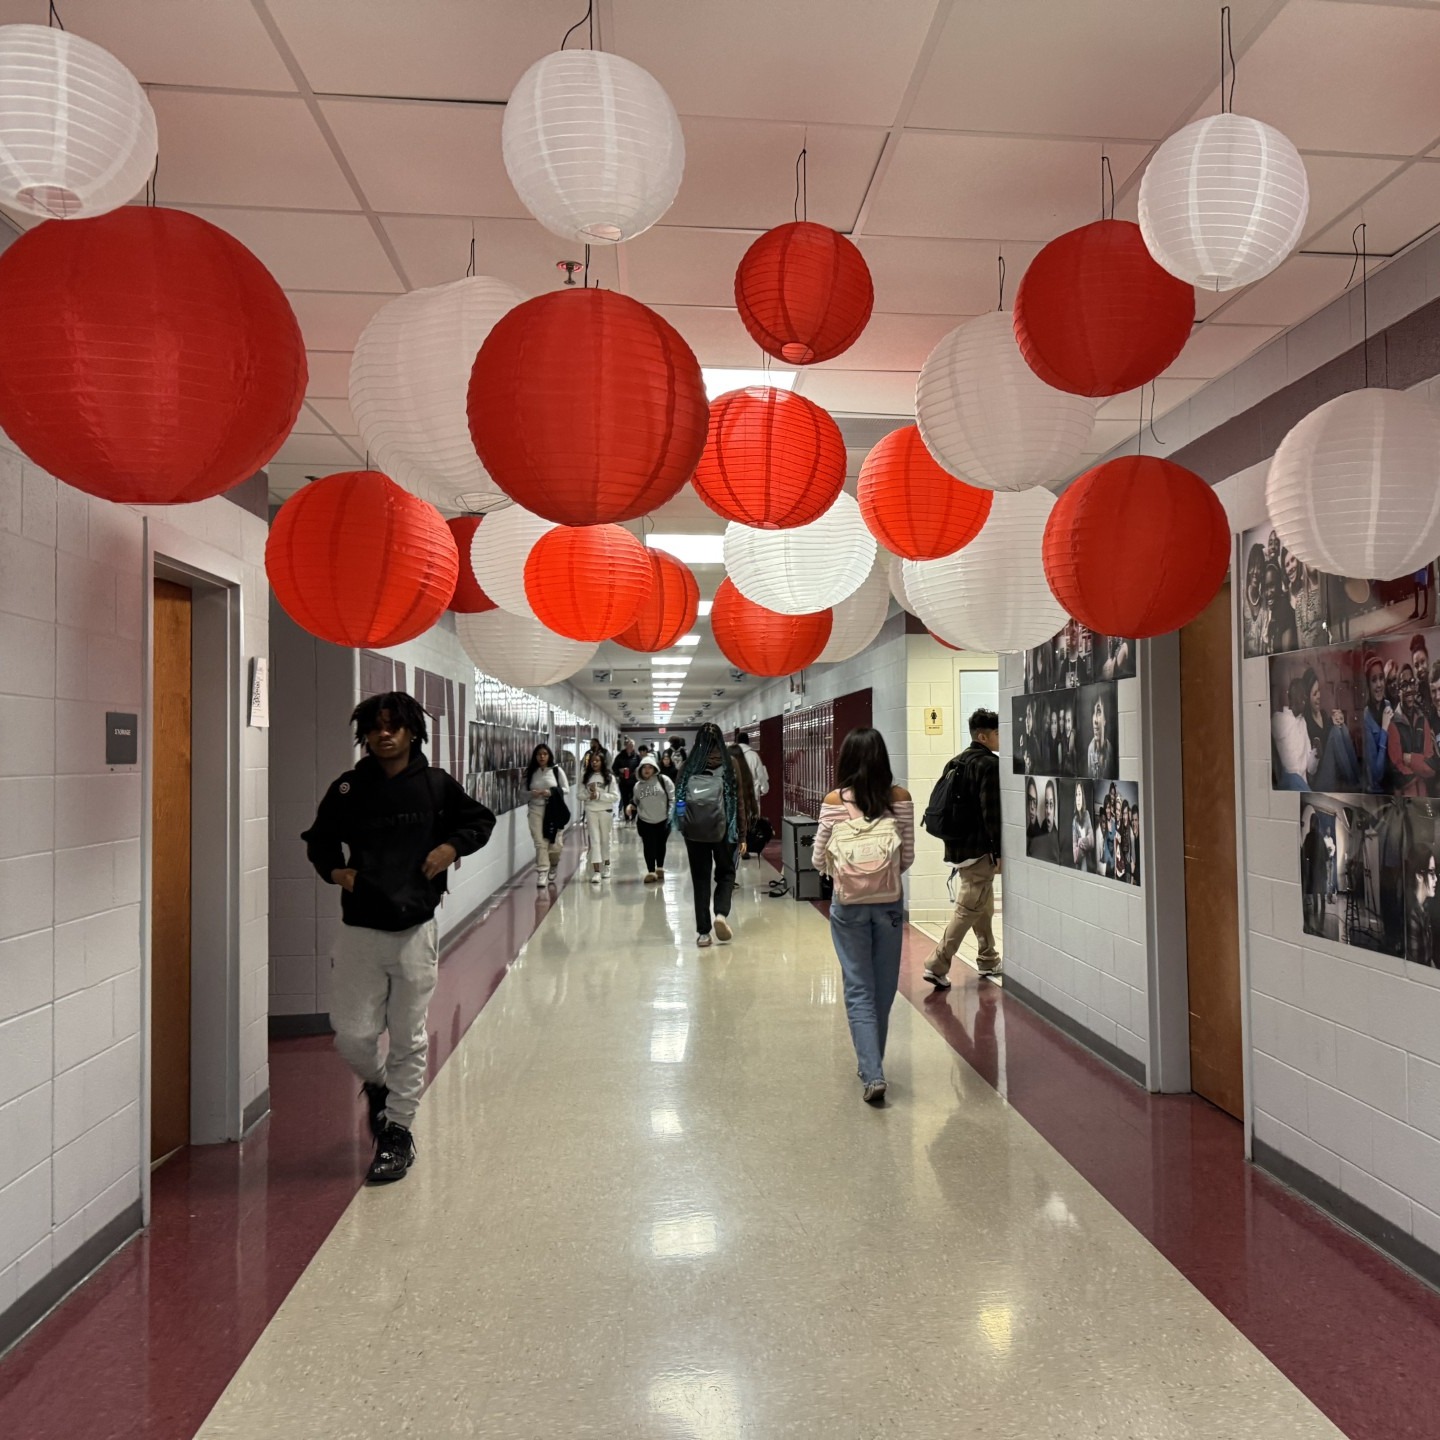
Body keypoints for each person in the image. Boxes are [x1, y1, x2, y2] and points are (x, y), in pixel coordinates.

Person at [302, 692, 495, 1185]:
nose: (383, 734)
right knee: (353, 1034)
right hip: (359, 930)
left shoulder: (434, 786)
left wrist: (451, 846)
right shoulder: (348, 789)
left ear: (412, 732)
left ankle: (397, 1133)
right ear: (365, 734)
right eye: (374, 727)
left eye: (393, 726)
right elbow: (319, 840)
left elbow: (480, 821)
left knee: (408, 1036)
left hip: (415, 928)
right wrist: (335, 872)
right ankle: (380, 1086)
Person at [812, 727, 915, 1103]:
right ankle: (873, 1065)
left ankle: (873, 1072)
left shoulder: (835, 800)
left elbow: (817, 857)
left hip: (848, 907)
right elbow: (907, 857)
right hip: (888, 904)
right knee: (884, 988)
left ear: (846, 760)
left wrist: (850, 875)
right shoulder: (900, 798)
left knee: (858, 986)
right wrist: (880, 878)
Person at [923, 708, 1002, 988]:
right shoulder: (989, 765)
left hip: (957, 846)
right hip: (979, 848)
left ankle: (988, 957)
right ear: (983, 736)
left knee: (983, 903)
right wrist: (997, 852)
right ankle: (937, 962)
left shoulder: (957, 761)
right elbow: (990, 812)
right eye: (996, 732)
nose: (1000, 737)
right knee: (968, 907)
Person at [674, 723, 754, 948]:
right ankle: (720, 914)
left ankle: (703, 933)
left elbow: (679, 799)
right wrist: (742, 835)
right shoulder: (731, 764)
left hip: (695, 832)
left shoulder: (689, 765)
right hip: (724, 830)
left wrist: (683, 825)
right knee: (726, 874)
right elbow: (739, 802)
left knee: (700, 880)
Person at [1302, 665, 1360, 792]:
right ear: (1307, 698)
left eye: (1319, 691)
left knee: (1341, 727)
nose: (1318, 696)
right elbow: (1312, 765)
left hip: (1333, 768)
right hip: (1319, 779)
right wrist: (1332, 725)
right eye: (1314, 694)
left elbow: (1331, 735)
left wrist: (1337, 720)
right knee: (1335, 731)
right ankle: (1354, 783)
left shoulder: (1323, 714)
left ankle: (1357, 779)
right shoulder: (1306, 721)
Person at [1387, 664, 1437, 797]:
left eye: (1412, 683)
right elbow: (1398, 776)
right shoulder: (1392, 725)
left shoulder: (1423, 720)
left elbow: (1432, 767)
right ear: (1398, 690)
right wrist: (1421, 768)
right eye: (1404, 685)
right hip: (1404, 802)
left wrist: (1409, 760)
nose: (1409, 689)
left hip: (1425, 798)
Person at [524, 743, 568, 887]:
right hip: (535, 810)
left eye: (544, 754)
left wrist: (551, 792)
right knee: (540, 842)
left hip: (553, 809)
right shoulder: (530, 772)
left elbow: (566, 789)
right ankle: (542, 871)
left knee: (555, 845)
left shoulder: (556, 771)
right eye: (539, 754)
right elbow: (521, 794)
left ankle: (553, 864)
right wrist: (531, 794)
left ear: (549, 756)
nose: (542, 757)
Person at [628, 756, 675, 882]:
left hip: (663, 819)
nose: (647, 770)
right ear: (640, 770)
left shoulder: (663, 780)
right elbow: (636, 802)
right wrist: (630, 806)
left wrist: (671, 814)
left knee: (660, 845)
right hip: (645, 821)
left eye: (650, 767)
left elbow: (672, 798)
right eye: (644, 767)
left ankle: (659, 867)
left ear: (654, 769)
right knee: (648, 846)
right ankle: (651, 871)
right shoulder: (638, 786)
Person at [578, 748, 618, 886]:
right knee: (594, 840)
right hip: (591, 811)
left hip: (605, 811)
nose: (594, 763)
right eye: (592, 761)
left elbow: (615, 796)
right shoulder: (585, 777)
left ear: (602, 762)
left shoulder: (609, 778)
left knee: (604, 840)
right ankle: (596, 871)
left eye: (597, 761)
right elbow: (579, 795)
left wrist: (600, 796)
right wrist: (589, 795)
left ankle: (607, 865)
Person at [1362, 655, 1394, 792]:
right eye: (1374, 680)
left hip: (1395, 783)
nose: (1379, 684)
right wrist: (1384, 730)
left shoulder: (1388, 705)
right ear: (1368, 685)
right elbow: (1377, 775)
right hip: (1379, 791)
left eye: (1381, 678)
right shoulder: (1366, 717)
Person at [1262, 561, 1299, 653]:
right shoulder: (1274, 613)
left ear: (1279, 584)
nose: (1268, 593)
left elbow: (1287, 655)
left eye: (1272, 586)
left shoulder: (1286, 612)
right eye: (1266, 588)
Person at [1301, 812, 1329, 934]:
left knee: (1317, 895)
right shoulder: (1320, 837)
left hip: (1316, 869)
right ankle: (1320, 925)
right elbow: (1326, 857)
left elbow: (1305, 854)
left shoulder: (1310, 837)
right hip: (1320, 869)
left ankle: (1318, 926)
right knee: (1321, 895)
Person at [735, 729, 770, 800]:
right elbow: (761, 775)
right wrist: (764, 789)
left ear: (736, 742)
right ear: (748, 742)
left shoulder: (731, 755)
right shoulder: (754, 755)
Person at [1086, 695, 1114, 782]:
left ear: (1105, 719)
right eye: (1093, 713)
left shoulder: (1111, 751)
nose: (1095, 720)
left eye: (1098, 712)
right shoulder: (1090, 749)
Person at [614, 737, 640, 823]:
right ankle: (626, 817)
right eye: (628, 745)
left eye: (632, 746)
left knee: (634, 799)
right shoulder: (620, 756)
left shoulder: (637, 757)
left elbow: (641, 767)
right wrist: (620, 770)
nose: (630, 747)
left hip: (634, 782)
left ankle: (633, 817)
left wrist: (637, 772)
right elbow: (614, 768)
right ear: (625, 746)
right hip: (623, 782)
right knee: (625, 800)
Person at [1071, 778, 1095, 872]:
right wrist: (1084, 844)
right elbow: (1074, 852)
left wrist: (1080, 841)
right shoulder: (1074, 820)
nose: (1078, 798)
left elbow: (1092, 841)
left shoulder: (1087, 814)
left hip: (1087, 862)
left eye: (1080, 794)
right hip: (1078, 863)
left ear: (1083, 797)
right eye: (1076, 795)